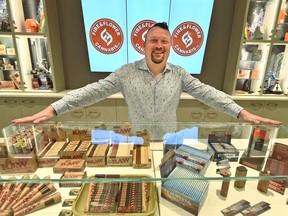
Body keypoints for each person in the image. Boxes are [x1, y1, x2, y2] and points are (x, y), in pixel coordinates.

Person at [12, 22, 281, 127]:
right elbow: (92, 91)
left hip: (169, 144)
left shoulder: (180, 74)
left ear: (171, 46)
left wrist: (241, 113)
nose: (159, 46)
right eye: (153, 41)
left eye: (164, 41)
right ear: (144, 45)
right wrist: (54, 108)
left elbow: (210, 94)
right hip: (136, 141)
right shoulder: (125, 73)